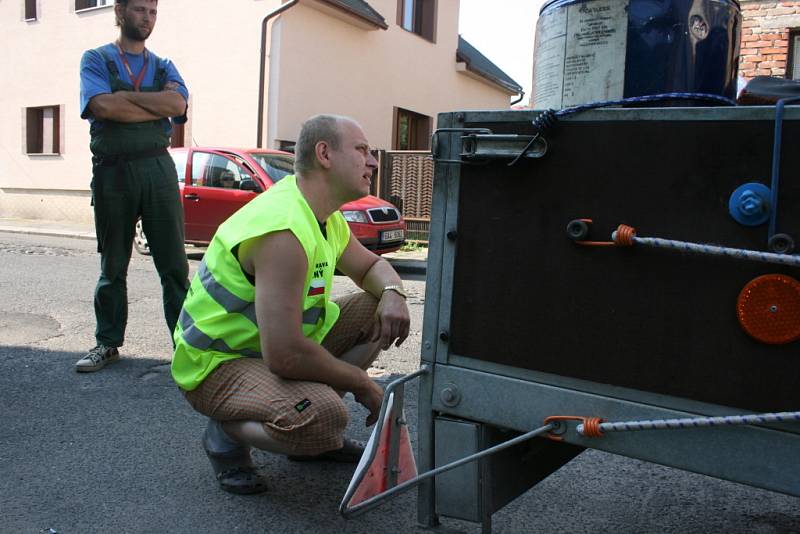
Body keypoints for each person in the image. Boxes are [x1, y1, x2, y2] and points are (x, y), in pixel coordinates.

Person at [171, 115, 411, 494]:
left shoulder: (323, 215)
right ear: (325, 154)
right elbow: (283, 355)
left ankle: (303, 433)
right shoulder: (282, 229)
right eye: (362, 150)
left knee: (374, 308)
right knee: (324, 419)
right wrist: (362, 384)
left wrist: (394, 295)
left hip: (265, 353)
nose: (373, 162)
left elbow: (373, 266)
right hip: (217, 365)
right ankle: (225, 432)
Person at [77, 0, 190, 372]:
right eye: (140, 10)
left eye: (153, 12)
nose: (147, 18)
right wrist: (149, 106)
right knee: (113, 265)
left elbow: (176, 102)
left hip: (158, 168)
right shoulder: (96, 59)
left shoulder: (163, 65)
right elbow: (103, 108)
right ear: (120, 12)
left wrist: (125, 97)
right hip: (114, 172)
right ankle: (107, 342)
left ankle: (187, 348)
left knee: (174, 265)